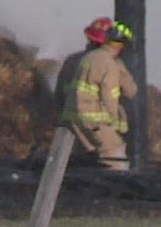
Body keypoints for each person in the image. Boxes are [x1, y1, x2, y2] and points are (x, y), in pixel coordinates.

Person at [59, 16, 139, 171]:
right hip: (96, 122)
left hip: (71, 123)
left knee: (79, 168)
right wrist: (113, 122)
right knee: (116, 160)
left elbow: (59, 96)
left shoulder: (76, 60)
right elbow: (123, 93)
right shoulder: (110, 62)